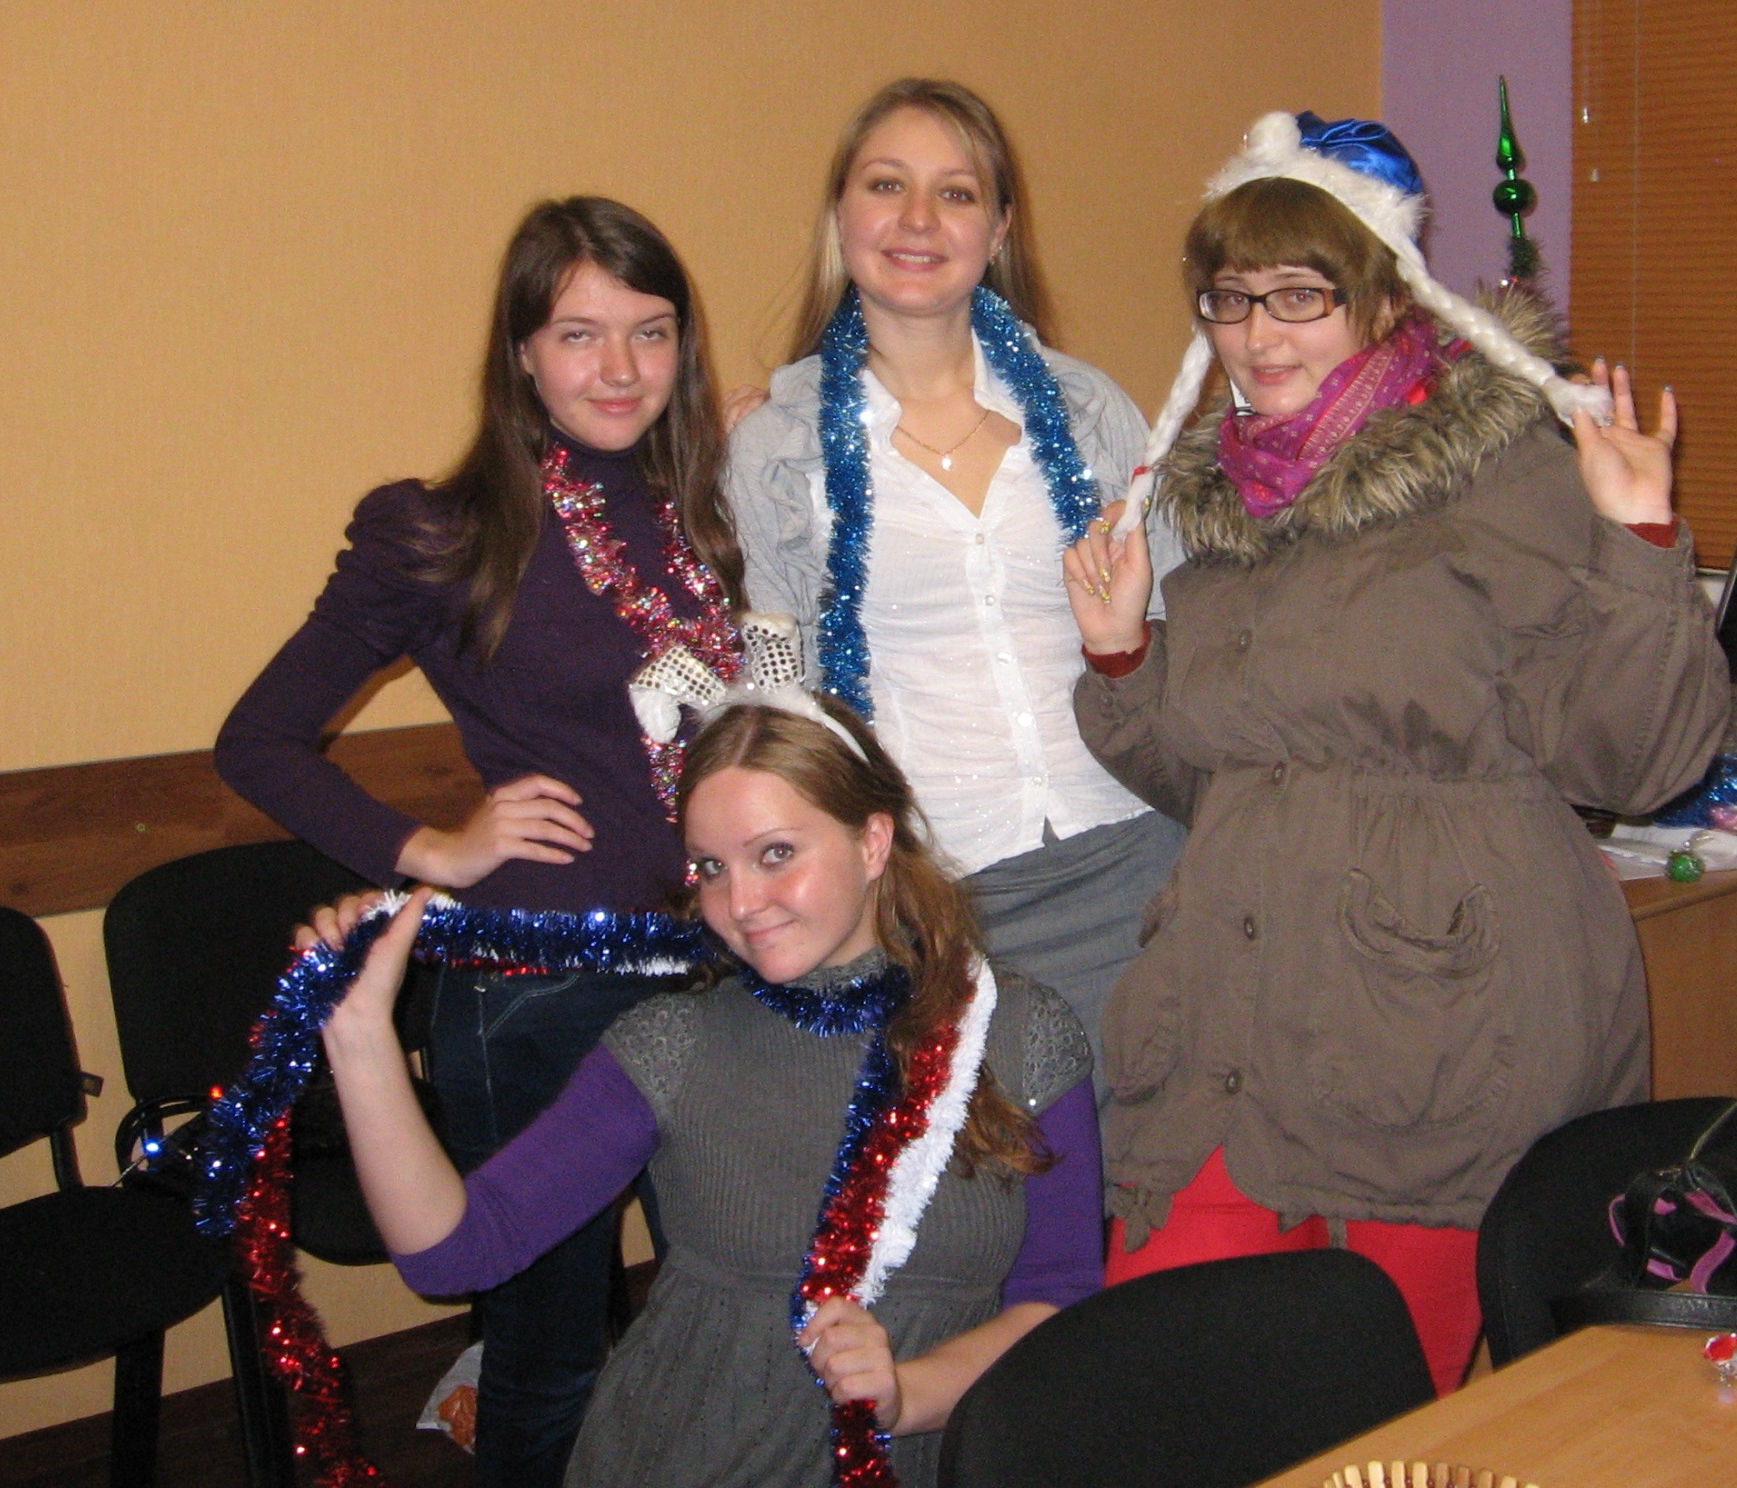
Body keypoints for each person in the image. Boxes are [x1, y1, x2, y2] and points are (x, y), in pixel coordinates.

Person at [1061, 112, 1734, 1392]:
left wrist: (1640, 544)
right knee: (1157, 1390)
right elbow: (1219, 783)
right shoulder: (1231, 506)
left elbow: (1634, 764)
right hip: (1232, 1032)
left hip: (1442, 1033)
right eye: (1230, 298)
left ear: (1383, 298)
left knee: (1370, 1430)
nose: (1258, 335)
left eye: (1299, 294)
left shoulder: (1506, 480)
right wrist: (1121, 657)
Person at [214, 197, 744, 1487]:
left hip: (721, 970)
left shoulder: (714, 515)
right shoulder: (440, 532)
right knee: (549, 1352)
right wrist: (431, 850)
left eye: (650, 331)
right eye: (577, 333)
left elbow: (765, 709)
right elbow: (257, 740)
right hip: (539, 993)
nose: (618, 368)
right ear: (520, 352)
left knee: (728, 1307)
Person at [302, 691, 1103, 1488]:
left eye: (776, 853)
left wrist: (904, 1394)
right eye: (712, 868)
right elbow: (451, 1254)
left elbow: (1056, 1301)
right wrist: (361, 1038)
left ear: (872, 841)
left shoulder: (1019, 1034)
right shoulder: (675, 1044)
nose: (740, 904)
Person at [725, 77, 1183, 1105]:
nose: (920, 220)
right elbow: (782, 696)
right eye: (887, 185)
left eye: (958, 192)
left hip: (1143, 863)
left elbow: (1178, 626)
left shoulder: (1089, 407)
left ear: (1000, 227)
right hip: (945, 899)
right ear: (841, 213)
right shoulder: (775, 447)